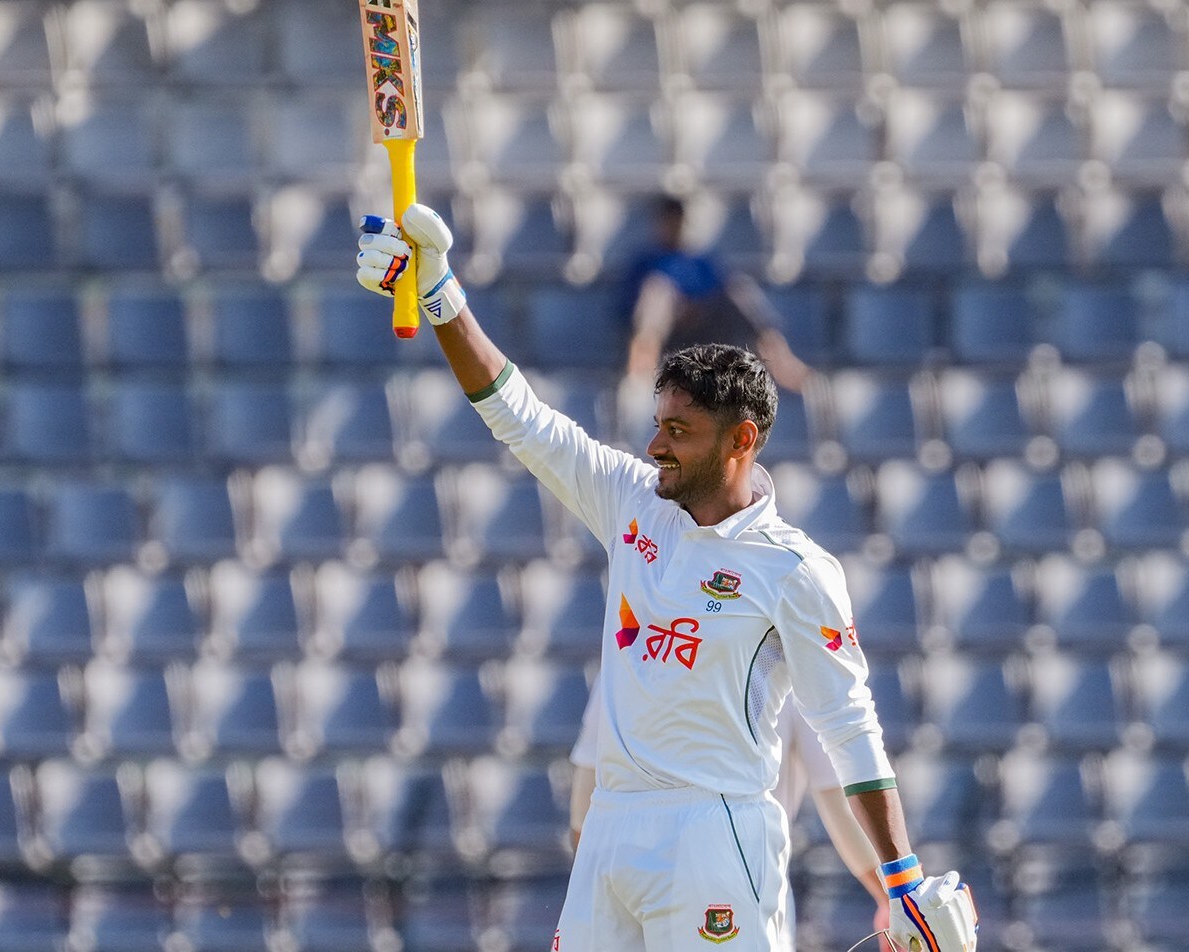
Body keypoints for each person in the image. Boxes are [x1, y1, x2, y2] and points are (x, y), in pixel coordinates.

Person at [353, 205, 978, 952]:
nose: (654, 445)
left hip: (715, 834)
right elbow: (517, 414)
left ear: (741, 440)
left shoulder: (794, 568)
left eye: (678, 431)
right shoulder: (631, 500)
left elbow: (849, 728)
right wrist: (440, 294)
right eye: (658, 423)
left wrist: (903, 880)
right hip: (613, 827)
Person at [571, 683, 894, 952]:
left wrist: (592, 891)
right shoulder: (788, 643)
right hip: (743, 879)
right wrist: (893, 899)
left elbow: (585, 805)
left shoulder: (634, 643)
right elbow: (836, 802)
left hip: (631, 874)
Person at [621, 195, 812, 394]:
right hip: (667, 330)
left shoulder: (700, 260)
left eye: (678, 220)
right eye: (669, 221)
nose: (675, 226)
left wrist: (695, 308)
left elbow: (718, 290)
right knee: (658, 290)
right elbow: (630, 307)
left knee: (738, 287)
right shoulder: (645, 262)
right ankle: (642, 365)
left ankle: (778, 359)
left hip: (705, 325)